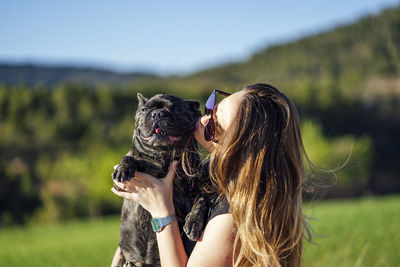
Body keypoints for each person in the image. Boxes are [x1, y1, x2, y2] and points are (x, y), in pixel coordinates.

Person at [111, 83, 311, 267]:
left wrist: (162, 212)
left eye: (216, 124)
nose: (204, 119)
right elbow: (128, 237)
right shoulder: (207, 175)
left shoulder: (231, 219)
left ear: (240, 150)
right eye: (212, 107)